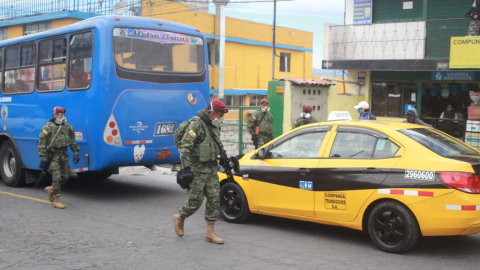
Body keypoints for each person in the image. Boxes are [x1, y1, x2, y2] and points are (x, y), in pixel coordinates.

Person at [173, 99, 228, 244]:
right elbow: (185, 148)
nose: (221, 117)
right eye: (219, 114)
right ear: (211, 113)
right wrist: (186, 170)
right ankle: (180, 217)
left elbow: (213, 144)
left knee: (214, 199)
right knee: (195, 201)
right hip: (197, 169)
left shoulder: (215, 125)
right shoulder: (196, 125)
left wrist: (221, 155)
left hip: (211, 168)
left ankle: (210, 233)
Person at [38, 106, 80, 209]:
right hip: (53, 155)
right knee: (57, 176)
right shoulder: (48, 127)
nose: (61, 116)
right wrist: (43, 158)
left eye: (62, 114)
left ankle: (51, 189)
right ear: (54, 115)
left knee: (66, 175)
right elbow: (42, 143)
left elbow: (72, 141)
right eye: (59, 114)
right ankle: (56, 199)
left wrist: (76, 152)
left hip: (64, 154)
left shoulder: (68, 127)